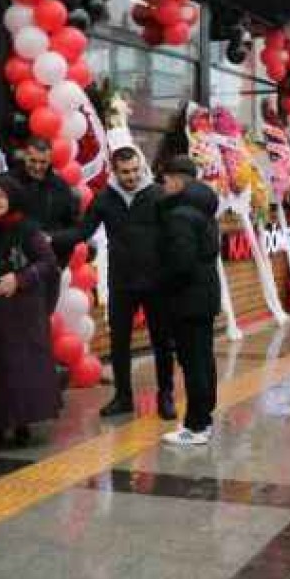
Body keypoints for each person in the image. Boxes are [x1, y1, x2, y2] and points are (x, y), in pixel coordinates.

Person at [54, 144, 176, 420]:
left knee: (162, 342)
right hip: (122, 281)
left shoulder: (158, 195)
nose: (131, 176)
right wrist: (50, 239)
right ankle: (123, 397)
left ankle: (166, 395)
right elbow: (82, 232)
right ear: (115, 171)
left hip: (156, 282)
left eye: (135, 170)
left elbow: (173, 235)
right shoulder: (105, 199)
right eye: (125, 172)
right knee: (119, 342)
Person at [0, 175, 61, 451]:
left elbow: (48, 262)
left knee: (17, 368)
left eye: (2, 196)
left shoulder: (27, 229)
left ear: (14, 200)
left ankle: (20, 424)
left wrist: (19, 279)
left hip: (20, 311)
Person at [158, 155, 222, 447]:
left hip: (187, 299)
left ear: (176, 180)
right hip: (205, 295)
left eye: (165, 180)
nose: (163, 186)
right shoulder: (204, 208)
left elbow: (180, 263)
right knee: (203, 360)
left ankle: (196, 426)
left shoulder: (180, 215)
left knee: (194, 363)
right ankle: (203, 419)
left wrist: (163, 283)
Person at [13, 136, 80, 237]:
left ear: (49, 160)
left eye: (43, 162)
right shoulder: (9, 181)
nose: (37, 167)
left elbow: (71, 227)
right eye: (33, 161)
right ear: (25, 157)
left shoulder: (61, 187)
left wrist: (52, 237)